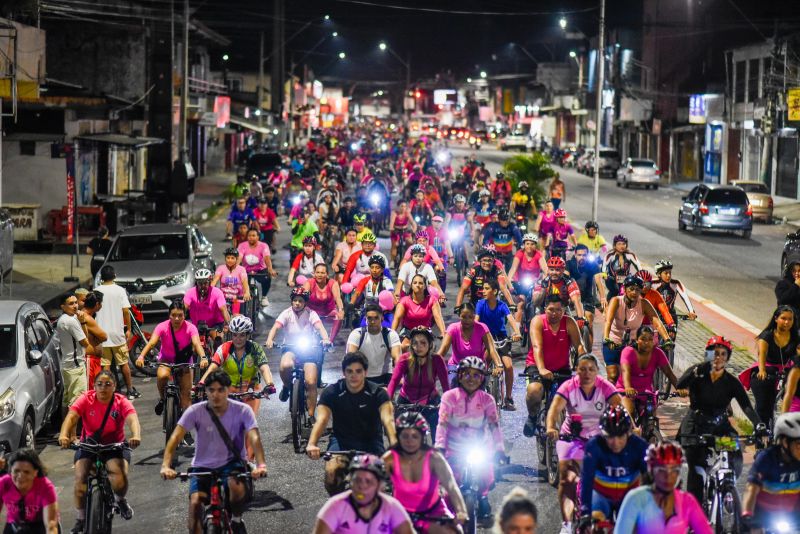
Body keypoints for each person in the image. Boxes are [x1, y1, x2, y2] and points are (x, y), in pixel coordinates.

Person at [160, 370, 267, 534]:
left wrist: (261, 465)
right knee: (195, 505)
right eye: (211, 390)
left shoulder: (243, 410)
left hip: (232, 464)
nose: (215, 395)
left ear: (228, 390)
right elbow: (174, 438)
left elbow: (255, 439)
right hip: (202, 466)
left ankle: (236, 519)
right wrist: (166, 465)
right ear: (206, 391)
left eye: (220, 390)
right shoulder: (195, 411)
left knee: (236, 488)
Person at [676, 336, 766, 503]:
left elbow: (746, 406)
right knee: (697, 471)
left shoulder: (731, 382)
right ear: (708, 354)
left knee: (735, 453)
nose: (718, 357)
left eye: (723, 354)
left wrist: (759, 424)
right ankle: (693, 514)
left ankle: (725, 487)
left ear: (727, 357)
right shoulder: (697, 372)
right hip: (695, 430)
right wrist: (698, 370)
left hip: (719, 429)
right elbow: (680, 384)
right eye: (714, 353)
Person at [545, 354, 621, 534]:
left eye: (591, 369)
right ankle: (567, 523)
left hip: (599, 439)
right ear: (576, 371)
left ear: (597, 371)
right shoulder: (569, 387)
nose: (587, 373)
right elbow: (555, 410)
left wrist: (631, 429)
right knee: (567, 478)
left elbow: (621, 409)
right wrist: (550, 427)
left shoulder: (605, 386)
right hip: (571, 438)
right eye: (582, 369)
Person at [59, 370, 141, 534]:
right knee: (80, 478)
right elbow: (71, 417)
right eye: (100, 384)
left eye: (108, 384)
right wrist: (63, 435)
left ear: (114, 386)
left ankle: (120, 500)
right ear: (94, 386)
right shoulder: (86, 399)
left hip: (114, 446)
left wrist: (136, 435)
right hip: (89, 445)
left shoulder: (120, 401)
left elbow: (133, 419)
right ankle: (81, 518)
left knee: (119, 477)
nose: (103, 388)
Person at [307, 353, 397, 492]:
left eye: (358, 371)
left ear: (365, 372)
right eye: (349, 371)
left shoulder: (378, 393)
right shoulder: (331, 392)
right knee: (331, 475)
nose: (353, 375)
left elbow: (388, 421)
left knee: (382, 483)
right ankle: (340, 507)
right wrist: (312, 444)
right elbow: (322, 420)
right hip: (341, 441)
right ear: (344, 373)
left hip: (371, 442)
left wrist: (395, 447)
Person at [436, 357, 505, 521]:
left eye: (476, 375)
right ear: (459, 376)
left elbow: (494, 426)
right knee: (447, 489)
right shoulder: (449, 397)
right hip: (453, 447)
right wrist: (439, 446)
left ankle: (482, 496)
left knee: (487, 475)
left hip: (479, 445)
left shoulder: (488, 399)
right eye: (466, 374)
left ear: (482, 378)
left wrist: (500, 449)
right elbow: (443, 424)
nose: (471, 379)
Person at [383, 412, 468, 534]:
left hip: (434, 513)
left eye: (415, 436)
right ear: (398, 437)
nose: (409, 441)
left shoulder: (434, 458)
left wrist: (461, 511)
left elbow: (451, 485)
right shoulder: (389, 458)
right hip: (401, 515)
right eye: (405, 436)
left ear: (422, 438)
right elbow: (374, 484)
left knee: (456, 532)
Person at [614, 442, 712, 534]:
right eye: (661, 470)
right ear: (651, 470)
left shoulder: (687, 501)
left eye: (674, 470)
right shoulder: (636, 498)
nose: (668, 476)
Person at [523, 294, 585, 437]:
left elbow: (579, 347)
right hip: (537, 365)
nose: (555, 313)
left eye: (558, 310)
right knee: (534, 390)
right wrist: (542, 369)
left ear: (564, 310)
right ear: (545, 309)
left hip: (562, 368)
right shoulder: (537, 321)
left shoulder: (569, 323)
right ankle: (532, 417)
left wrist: (583, 363)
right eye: (551, 310)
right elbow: (537, 346)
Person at [578, 405, 648, 531]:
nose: (615, 442)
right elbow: (587, 481)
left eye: (620, 436)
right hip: (600, 495)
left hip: (628, 496)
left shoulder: (640, 446)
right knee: (593, 525)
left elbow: (650, 479)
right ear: (603, 434)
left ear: (628, 433)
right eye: (610, 437)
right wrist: (585, 513)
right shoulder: (594, 446)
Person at [265, 287, 332, 418]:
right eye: (295, 300)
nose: (297, 303)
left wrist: (325, 339)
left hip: (309, 350)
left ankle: (312, 415)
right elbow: (275, 327)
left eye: (300, 301)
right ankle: (286, 386)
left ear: (305, 302)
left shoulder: (311, 313)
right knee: (285, 366)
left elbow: (320, 327)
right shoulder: (286, 313)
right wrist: (269, 339)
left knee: (311, 382)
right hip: (290, 347)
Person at [136, 301, 207, 414]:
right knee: (162, 376)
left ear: (185, 315)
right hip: (166, 360)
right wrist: (141, 356)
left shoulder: (191, 328)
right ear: (169, 315)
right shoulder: (162, 326)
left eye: (180, 315)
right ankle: (163, 399)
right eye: (173, 315)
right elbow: (152, 343)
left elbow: (197, 344)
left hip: (184, 363)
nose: (177, 319)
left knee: (186, 397)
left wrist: (203, 357)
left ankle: (185, 427)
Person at [313, 454, 414, 534]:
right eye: (357, 480)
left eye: (369, 481)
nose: (362, 486)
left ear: (380, 486)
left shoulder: (392, 507)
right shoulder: (335, 506)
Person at [602, 275, 672, 385]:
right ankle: (610, 400)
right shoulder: (616, 301)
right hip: (613, 342)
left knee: (634, 376)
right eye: (631, 289)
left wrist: (667, 339)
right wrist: (606, 338)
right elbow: (608, 321)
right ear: (625, 289)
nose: (634, 292)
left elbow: (657, 323)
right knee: (613, 375)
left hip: (632, 344)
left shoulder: (644, 304)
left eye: (638, 290)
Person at [200, 315, 275, 416]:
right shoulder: (224, 348)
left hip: (250, 392)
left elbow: (264, 368)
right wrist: (201, 382)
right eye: (235, 335)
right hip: (228, 392)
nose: (238, 339)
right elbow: (213, 367)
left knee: (248, 425)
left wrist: (270, 384)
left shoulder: (255, 349)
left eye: (242, 335)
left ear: (248, 335)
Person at [741, 412, 800, 532]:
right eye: (799, 444)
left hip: (791, 513)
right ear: (785, 442)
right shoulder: (766, 458)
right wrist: (747, 513)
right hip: (764, 513)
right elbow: (751, 489)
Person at [616, 325, 686, 426]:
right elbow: (625, 371)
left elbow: (669, 373)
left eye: (650, 339)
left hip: (646, 393)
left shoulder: (657, 353)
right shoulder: (628, 352)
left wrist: (680, 388)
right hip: (626, 391)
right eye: (643, 339)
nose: (647, 343)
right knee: (629, 413)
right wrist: (628, 388)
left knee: (651, 418)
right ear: (636, 340)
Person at [387, 327, 450, 435]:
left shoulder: (437, 360)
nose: (418, 347)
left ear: (430, 345)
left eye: (423, 343)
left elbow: (446, 386)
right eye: (415, 343)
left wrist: (446, 402)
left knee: (440, 431)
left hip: (430, 399)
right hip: (406, 400)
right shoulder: (404, 359)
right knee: (396, 432)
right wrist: (388, 401)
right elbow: (393, 381)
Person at [749, 306, 800, 429]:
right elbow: (762, 353)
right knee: (763, 407)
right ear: (776, 319)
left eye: (790, 319)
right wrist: (762, 370)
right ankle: (760, 434)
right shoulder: (767, 335)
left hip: (786, 371)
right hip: (767, 370)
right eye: (783, 318)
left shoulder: (795, 337)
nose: (787, 322)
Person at [94, 266, 140, 399]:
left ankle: (108, 392)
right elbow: (126, 311)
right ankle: (130, 390)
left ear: (102, 277)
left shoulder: (96, 291)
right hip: (117, 334)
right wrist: (129, 329)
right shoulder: (120, 290)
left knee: (106, 366)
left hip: (102, 335)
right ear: (114, 276)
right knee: (124, 364)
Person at [476, 279, 521, 410]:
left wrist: (517, 332)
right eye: (483, 288)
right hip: (485, 337)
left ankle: (508, 397)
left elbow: (511, 320)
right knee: (483, 363)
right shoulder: (480, 304)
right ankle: (479, 392)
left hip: (501, 338)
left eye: (486, 288)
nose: (483, 291)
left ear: (494, 291)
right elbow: (476, 321)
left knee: (508, 366)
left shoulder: (502, 306)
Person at [0, 449, 59, 534]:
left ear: (35, 472)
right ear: (10, 471)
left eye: (26, 472)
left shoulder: (46, 487)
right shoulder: (4, 483)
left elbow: (51, 524)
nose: (20, 476)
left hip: (41, 526)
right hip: (15, 526)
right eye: (16, 471)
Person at [438, 303, 504, 375]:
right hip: (456, 366)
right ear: (459, 316)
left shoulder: (482, 328)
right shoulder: (452, 328)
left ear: (474, 316)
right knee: (452, 385)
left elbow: (491, 349)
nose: (467, 320)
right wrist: (432, 363)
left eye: (470, 317)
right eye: (464, 317)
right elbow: (444, 349)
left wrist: (499, 365)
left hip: (477, 367)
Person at [56, 292, 96, 409]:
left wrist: (82, 322)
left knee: (67, 400)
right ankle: (76, 427)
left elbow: (84, 336)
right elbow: (85, 342)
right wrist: (83, 322)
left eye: (75, 302)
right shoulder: (71, 321)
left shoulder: (66, 319)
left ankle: (66, 426)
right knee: (78, 403)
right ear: (63, 307)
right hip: (75, 367)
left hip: (68, 365)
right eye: (71, 304)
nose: (75, 306)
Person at [346, 304, 402, 385]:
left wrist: (399, 376)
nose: (372, 321)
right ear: (365, 319)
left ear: (382, 318)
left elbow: (397, 358)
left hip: (385, 377)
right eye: (369, 318)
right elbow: (350, 357)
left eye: (376, 318)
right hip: (363, 377)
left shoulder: (391, 334)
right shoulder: (356, 334)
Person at [392, 274, 447, 349]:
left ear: (425, 286)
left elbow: (438, 317)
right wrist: (392, 334)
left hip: (425, 330)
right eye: (415, 283)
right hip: (408, 331)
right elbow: (397, 319)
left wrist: (443, 332)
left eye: (420, 283)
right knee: (403, 347)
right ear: (411, 285)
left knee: (429, 349)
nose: (417, 285)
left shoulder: (432, 300)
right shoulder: (404, 301)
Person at [184, 268, 231, 342]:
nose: (203, 286)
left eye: (205, 283)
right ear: (196, 283)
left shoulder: (217, 292)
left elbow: (223, 310)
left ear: (209, 282)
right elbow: (183, 308)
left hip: (215, 325)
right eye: (200, 283)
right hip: (197, 326)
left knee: (218, 340)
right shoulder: (190, 292)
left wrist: (227, 325)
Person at [566, 244, 606, 331]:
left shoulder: (593, 265)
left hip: (587, 297)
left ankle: (589, 343)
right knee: (571, 323)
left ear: (587, 256)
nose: (582, 257)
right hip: (572, 297)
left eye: (584, 255)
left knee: (589, 319)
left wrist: (603, 297)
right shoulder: (569, 264)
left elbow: (599, 281)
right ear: (575, 255)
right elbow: (565, 278)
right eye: (579, 255)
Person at [303, 263, 345, 343]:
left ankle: (330, 341)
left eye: (322, 273)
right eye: (317, 272)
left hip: (328, 312)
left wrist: (341, 310)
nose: (320, 275)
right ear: (314, 273)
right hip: (312, 313)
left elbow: (338, 298)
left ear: (327, 274)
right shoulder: (309, 283)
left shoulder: (333, 283)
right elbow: (303, 298)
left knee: (339, 316)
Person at [652, 260, 697, 331]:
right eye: (666, 273)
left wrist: (691, 311)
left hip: (671, 316)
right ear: (659, 274)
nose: (668, 275)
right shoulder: (652, 283)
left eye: (670, 272)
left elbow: (685, 297)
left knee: (670, 340)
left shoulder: (676, 283)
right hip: (656, 316)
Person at [238, 227, 277, 308]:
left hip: (260, 270)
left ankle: (264, 297)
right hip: (246, 271)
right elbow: (239, 258)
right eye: (249, 236)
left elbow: (267, 258)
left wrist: (270, 269)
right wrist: (235, 269)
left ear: (258, 237)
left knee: (267, 278)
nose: (251, 237)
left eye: (253, 235)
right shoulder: (242, 245)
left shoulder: (263, 246)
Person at [79, 290, 108, 389]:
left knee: (95, 391)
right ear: (97, 304)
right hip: (89, 360)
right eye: (101, 303)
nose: (102, 306)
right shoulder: (87, 318)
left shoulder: (86, 316)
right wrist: (97, 340)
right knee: (90, 391)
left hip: (93, 360)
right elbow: (104, 336)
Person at [212, 248, 251, 313]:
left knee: (236, 317)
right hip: (223, 298)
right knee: (221, 319)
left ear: (236, 259)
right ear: (225, 258)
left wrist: (247, 292)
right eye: (228, 258)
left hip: (237, 298)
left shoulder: (241, 269)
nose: (230, 260)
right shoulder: (221, 268)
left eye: (232, 258)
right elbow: (214, 280)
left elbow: (244, 282)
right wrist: (210, 291)